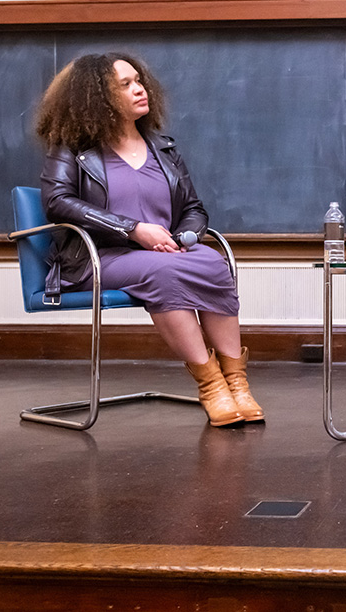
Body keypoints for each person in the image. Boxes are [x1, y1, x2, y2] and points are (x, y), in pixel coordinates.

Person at [35, 52, 263, 428]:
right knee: (161, 272)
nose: (140, 89)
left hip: (163, 253)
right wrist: (133, 229)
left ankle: (237, 383)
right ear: (96, 98)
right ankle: (211, 387)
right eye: (125, 85)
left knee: (212, 261)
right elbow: (57, 203)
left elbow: (193, 207)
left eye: (138, 81)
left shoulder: (165, 150)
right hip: (96, 258)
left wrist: (183, 235)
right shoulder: (72, 149)